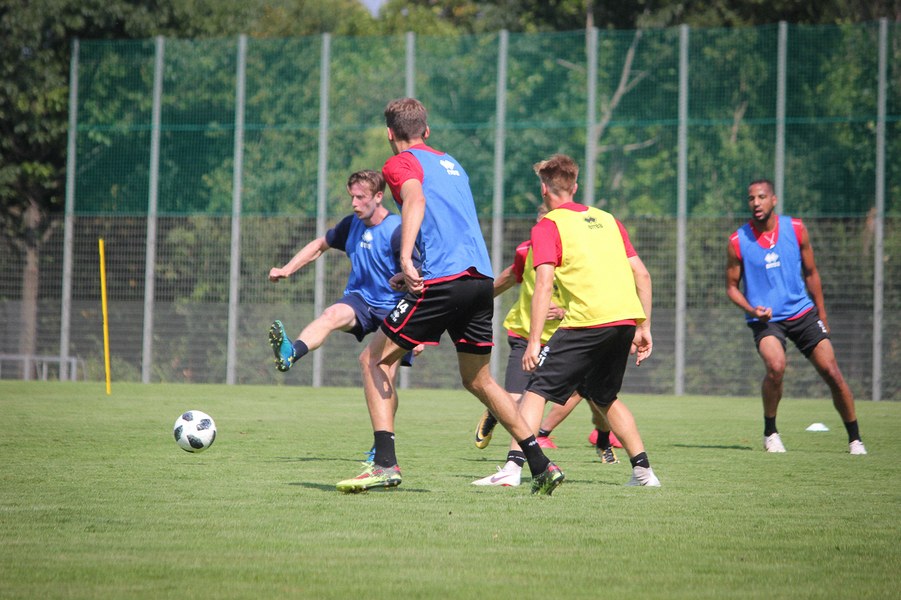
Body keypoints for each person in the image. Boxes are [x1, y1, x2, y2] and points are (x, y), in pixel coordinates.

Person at [335, 97, 564, 495]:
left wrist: (406, 258)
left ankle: (384, 464)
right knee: (479, 379)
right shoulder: (452, 164)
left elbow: (416, 200)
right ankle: (541, 465)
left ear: (390, 134)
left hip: (444, 279)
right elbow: (448, 224)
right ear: (426, 130)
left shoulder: (400, 162)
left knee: (372, 359)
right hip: (479, 280)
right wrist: (414, 268)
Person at [516, 153, 660, 487]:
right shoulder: (608, 219)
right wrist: (644, 326)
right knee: (604, 397)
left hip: (586, 321)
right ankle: (644, 473)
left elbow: (544, 284)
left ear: (543, 189)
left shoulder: (547, 225)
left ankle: (512, 469)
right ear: (575, 187)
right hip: (624, 319)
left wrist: (534, 341)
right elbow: (642, 274)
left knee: (536, 390)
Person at [725, 179, 866, 455]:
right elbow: (731, 287)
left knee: (832, 373)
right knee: (776, 366)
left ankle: (855, 439)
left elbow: (811, 273)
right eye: (751, 198)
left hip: (803, 313)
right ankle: (771, 432)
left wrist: (821, 313)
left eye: (761, 197)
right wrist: (752, 310)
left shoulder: (796, 228)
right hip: (766, 320)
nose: (756, 203)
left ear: (773, 200)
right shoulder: (737, 241)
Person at [267, 169, 416, 378]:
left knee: (383, 373)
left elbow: (418, 277)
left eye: (360, 197)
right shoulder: (351, 224)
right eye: (352, 197)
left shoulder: (397, 230)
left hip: (394, 308)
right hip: (360, 300)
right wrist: (286, 269)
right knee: (331, 315)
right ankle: (291, 353)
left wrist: (419, 329)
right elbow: (319, 245)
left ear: (378, 196)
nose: (354, 203)